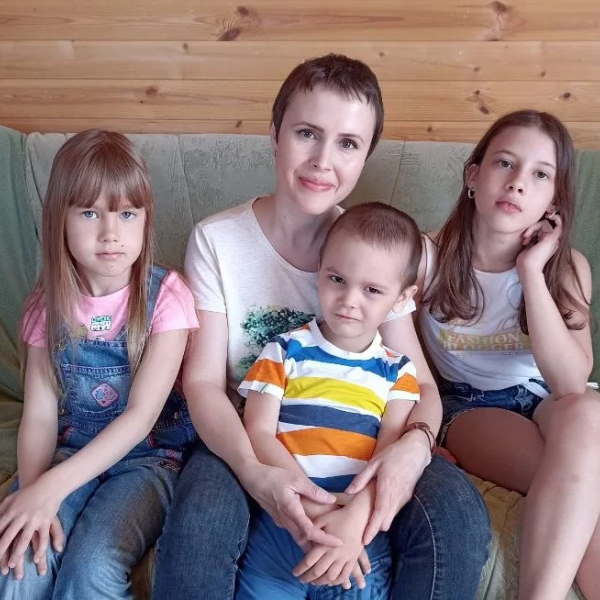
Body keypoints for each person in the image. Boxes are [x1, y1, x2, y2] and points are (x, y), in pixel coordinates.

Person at [153, 53, 490, 600]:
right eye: (307, 133)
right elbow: (204, 384)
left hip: (361, 444)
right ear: (275, 134)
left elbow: (422, 386)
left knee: (456, 513)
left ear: (365, 157)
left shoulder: (375, 252)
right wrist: (253, 470)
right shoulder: (218, 240)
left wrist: (413, 448)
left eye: (348, 143)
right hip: (247, 434)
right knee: (200, 523)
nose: (322, 161)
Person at [0, 129, 199, 599]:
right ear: (59, 220)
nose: (111, 234)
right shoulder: (44, 307)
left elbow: (141, 416)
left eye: (127, 214)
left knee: (91, 566)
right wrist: (35, 493)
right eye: (90, 213)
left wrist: (52, 489)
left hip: (148, 461)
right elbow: (40, 416)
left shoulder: (166, 297)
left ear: (146, 220)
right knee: (20, 561)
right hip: (69, 452)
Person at [418, 109, 600, 600]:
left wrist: (531, 273)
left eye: (540, 174)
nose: (518, 182)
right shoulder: (427, 258)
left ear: (553, 201)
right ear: (473, 176)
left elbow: (569, 384)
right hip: (472, 406)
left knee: (588, 412)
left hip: (551, 403)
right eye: (505, 163)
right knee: (583, 489)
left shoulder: (567, 268)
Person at [236, 202, 423, 597]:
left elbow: (386, 454)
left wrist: (350, 522)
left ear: (402, 298)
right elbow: (258, 432)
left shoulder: (398, 371)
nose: (349, 300)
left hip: (356, 532)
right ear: (319, 271)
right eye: (337, 279)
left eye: (372, 290)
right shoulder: (284, 350)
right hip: (284, 517)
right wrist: (309, 505)